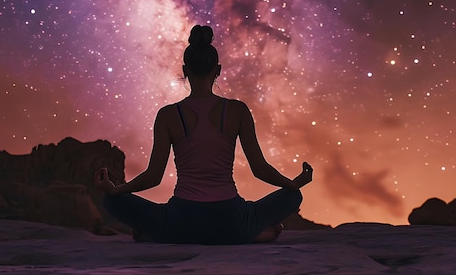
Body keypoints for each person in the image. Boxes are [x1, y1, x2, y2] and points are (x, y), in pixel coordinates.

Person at [95, 25, 313, 244]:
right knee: (293, 197)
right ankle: (248, 233)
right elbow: (260, 169)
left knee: (112, 201)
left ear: (185, 70)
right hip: (230, 218)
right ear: (217, 70)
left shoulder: (168, 115)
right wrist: (293, 185)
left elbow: (153, 176)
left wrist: (116, 190)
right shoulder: (237, 111)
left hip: (182, 218)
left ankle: (163, 233)